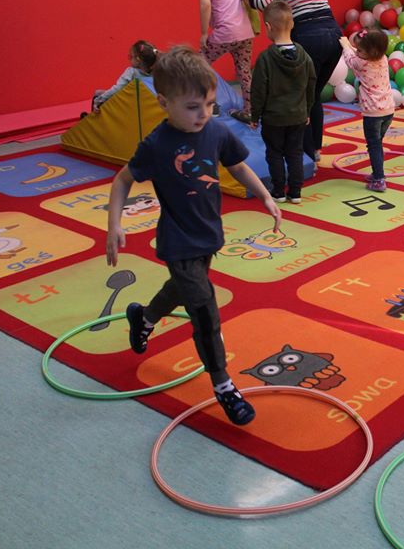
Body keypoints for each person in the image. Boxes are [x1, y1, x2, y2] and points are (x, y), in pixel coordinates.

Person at [106, 46, 281, 426]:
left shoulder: (214, 130)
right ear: (164, 103)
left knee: (181, 289)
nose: (203, 113)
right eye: (192, 107)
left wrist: (265, 195)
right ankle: (223, 385)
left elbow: (238, 166)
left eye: (209, 104)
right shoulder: (156, 145)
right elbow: (122, 180)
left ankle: (144, 318)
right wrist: (114, 224)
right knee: (204, 309)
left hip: (208, 234)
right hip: (178, 240)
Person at [241, 0, 342, 163]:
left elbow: (262, 1)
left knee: (300, 98)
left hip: (309, 35)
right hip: (333, 34)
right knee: (312, 95)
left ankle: (304, 155)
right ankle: (314, 150)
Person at [182, 0, 255, 123]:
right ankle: (250, 110)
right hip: (245, 33)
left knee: (199, 66)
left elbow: (205, 5)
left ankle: (209, 106)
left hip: (225, 33)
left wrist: (204, 33)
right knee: (244, 72)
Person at [251, 1, 316, 204]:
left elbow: (258, 90)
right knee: (295, 153)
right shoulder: (304, 56)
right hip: (298, 116)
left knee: (275, 153)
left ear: (268, 27)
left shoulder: (265, 58)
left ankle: (278, 191)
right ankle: (295, 192)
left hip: (273, 118)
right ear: (292, 24)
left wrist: (254, 115)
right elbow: (311, 85)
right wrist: (307, 110)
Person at [340, 30, 396, 192]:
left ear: (371, 52)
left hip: (373, 114)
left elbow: (349, 60)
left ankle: (379, 179)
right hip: (388, 110)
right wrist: (354, 48)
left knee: (374, 145)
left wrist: (346, 46)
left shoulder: (361, 63)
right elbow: (358, 55)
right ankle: (377, 173)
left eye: (360, 50)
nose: (357, 52)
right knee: (377, 143)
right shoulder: (383, 59)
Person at [91, 40, 158, 112]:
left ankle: (94, 114)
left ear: (138, 60)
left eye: (131, 57)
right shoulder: (157, 72)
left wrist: (98, 100)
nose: (130, 59)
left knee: (98, 93)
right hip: (148, 106)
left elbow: (117, 89)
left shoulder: (131, 72)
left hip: (129, 105)